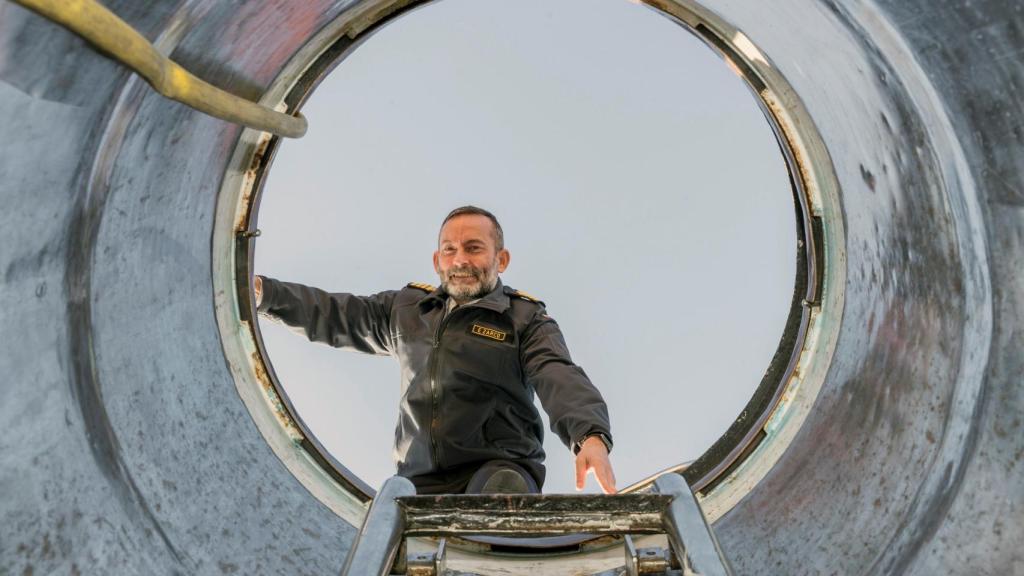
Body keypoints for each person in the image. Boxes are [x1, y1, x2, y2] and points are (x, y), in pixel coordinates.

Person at [254, 206, 615, 495]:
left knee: (497, 492)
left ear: (500, 260)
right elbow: (334, 314)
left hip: (495, 470)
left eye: (474, 248)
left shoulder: (523, 318)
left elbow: (557, 372)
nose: (460, 260)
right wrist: (264, 293)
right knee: (395, 516)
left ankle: (502, 539)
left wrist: (589, 436)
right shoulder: (409, 310)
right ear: (437, 260)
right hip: (419, 477)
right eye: (450, 250)